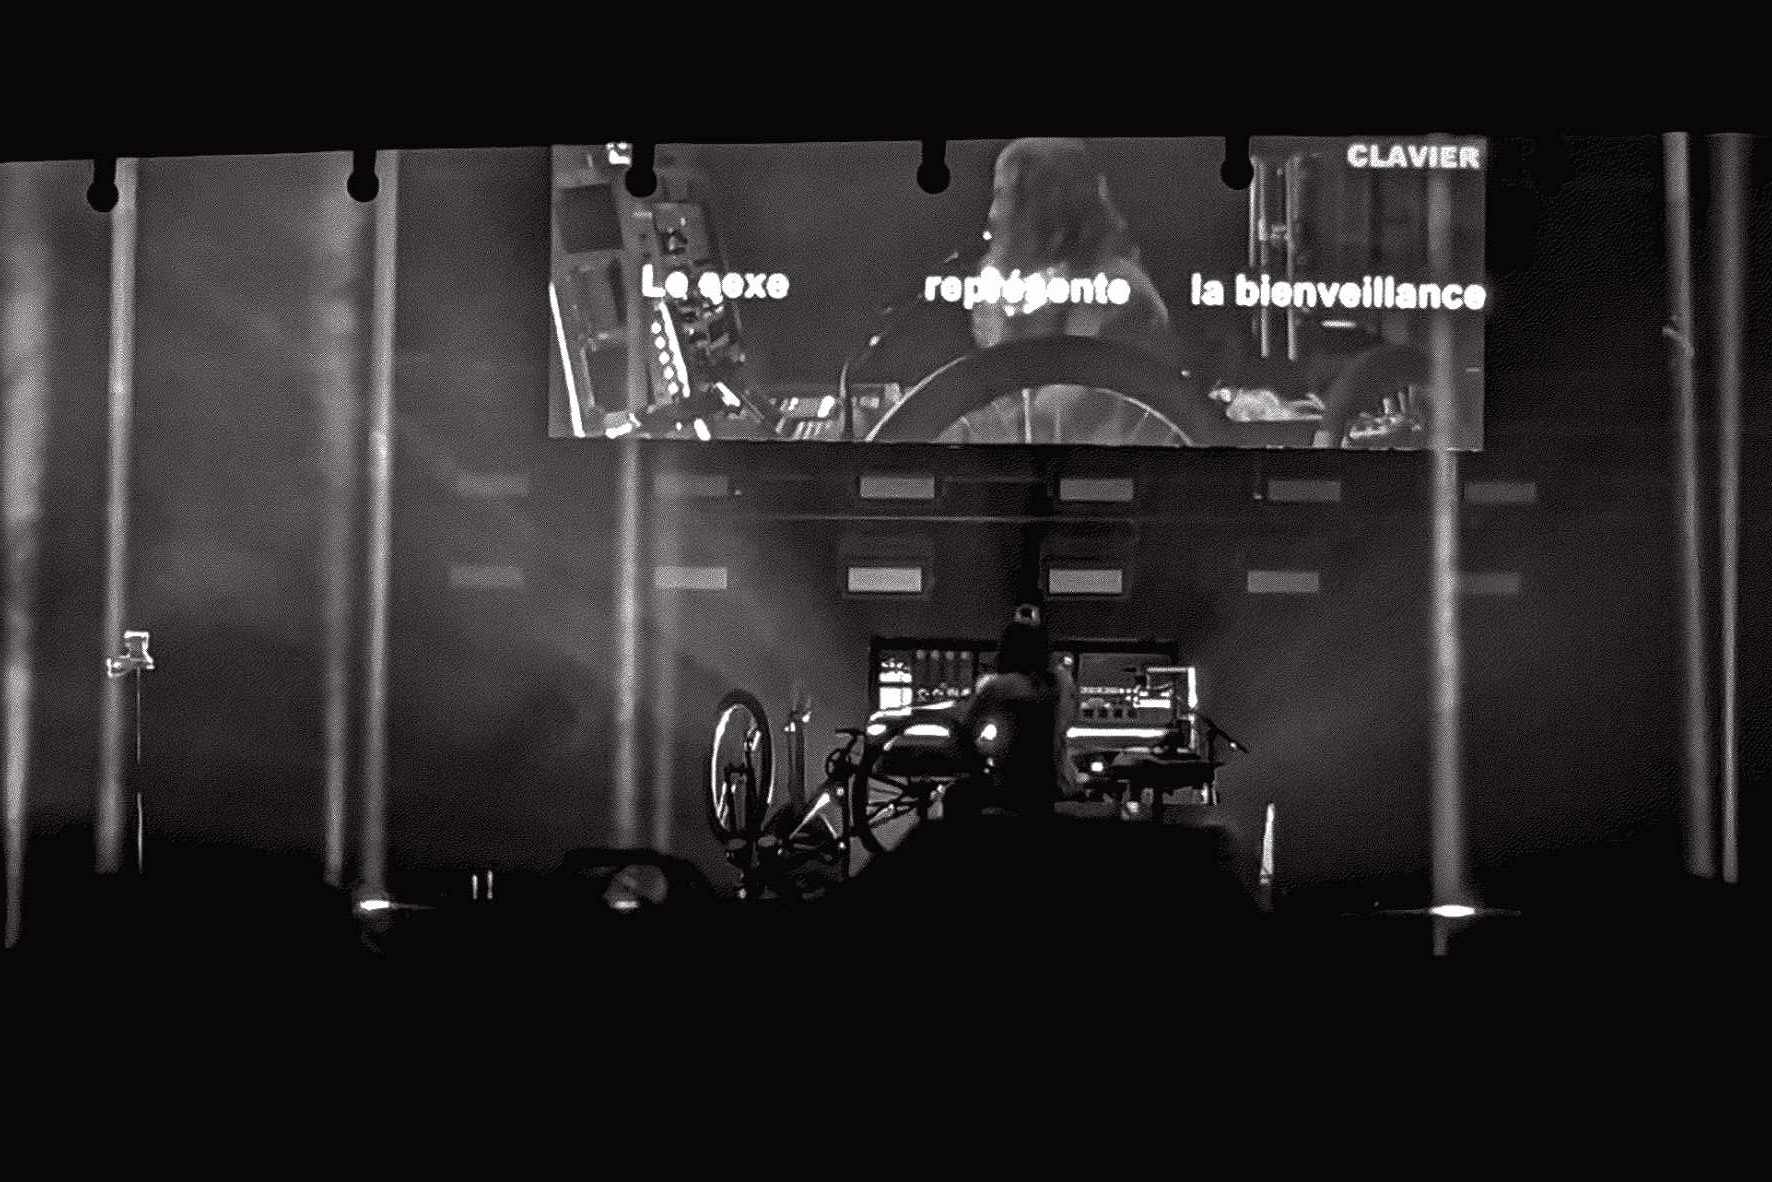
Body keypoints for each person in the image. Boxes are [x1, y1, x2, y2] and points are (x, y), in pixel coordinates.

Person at [941, 138, 1180, 445]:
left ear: (1048, 203)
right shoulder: (1014, 287)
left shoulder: (1119, 290)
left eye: (1003, 196)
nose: (993, 214)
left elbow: (1053, 414)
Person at [948, 611, 1080, 818]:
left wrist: (979, 758)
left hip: (1010, 784)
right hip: (1056, 782)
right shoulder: (1062, 682)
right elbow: (1068, 722)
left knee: (955, 797)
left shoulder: (1000, 686)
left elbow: (966, 733)